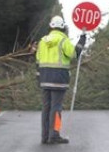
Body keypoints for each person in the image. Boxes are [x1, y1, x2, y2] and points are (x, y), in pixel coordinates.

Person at [35, 15, 86, 144]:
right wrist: (82, 40)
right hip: (59, 79)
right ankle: (55, 135)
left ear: (51, 27)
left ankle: (44, 136)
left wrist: (39, 79)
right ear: (62, 27)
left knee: (46, 108)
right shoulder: (63, 40)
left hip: (44, 78)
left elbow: (37, 61)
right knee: (56, 108)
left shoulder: (42, 41)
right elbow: (74, 54)